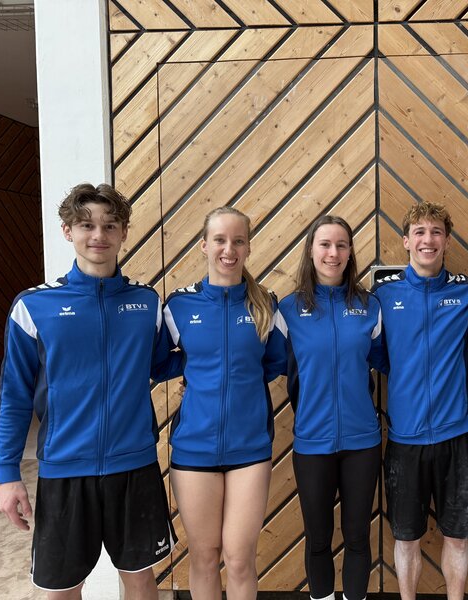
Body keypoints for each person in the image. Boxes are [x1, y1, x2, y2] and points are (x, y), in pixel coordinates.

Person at [0, 183, 175, 600]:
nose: (98, 235)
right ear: (67, 231)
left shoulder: (146, 303)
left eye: (110, 225)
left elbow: (161, 363)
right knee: (62, 589)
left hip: (134, 465)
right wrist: (7, 474)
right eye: (86, 225)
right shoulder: (33, 307)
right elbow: (15, 395)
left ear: (123, 233)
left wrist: (213, 364)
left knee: (141, 579)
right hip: (65, 470)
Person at [155, 207, 285, 600]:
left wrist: (238, 381)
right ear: (204, 245)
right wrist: (196, 372)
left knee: (240, 559)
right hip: (194, 449)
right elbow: (158, 362)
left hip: (250, 448)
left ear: (248, 247)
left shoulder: (266, 305)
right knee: (205, 557)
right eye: (220, 240)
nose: (229, 249)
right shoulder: (179, 306)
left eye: (238, 241)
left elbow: (275, 361)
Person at [372, 202, 468, 600]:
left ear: (447, 241)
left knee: (456, 536)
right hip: (405, 436)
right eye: (419, 232)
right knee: (406, 538)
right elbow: (378, 356)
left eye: (436, 232)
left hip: (456, 434)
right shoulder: (383, 297)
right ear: (406, 241)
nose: (428, 239)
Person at [273, 215, 386, 600]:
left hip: (362, 442)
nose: (333, 253)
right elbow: (265, 363)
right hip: (312, 442)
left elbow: (385, 359)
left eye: (341, 245)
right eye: (325, 244)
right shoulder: (288, 310)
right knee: (318, 538)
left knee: (357, 537)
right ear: (311, 250)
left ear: (350, 252)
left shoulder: (370, 307)